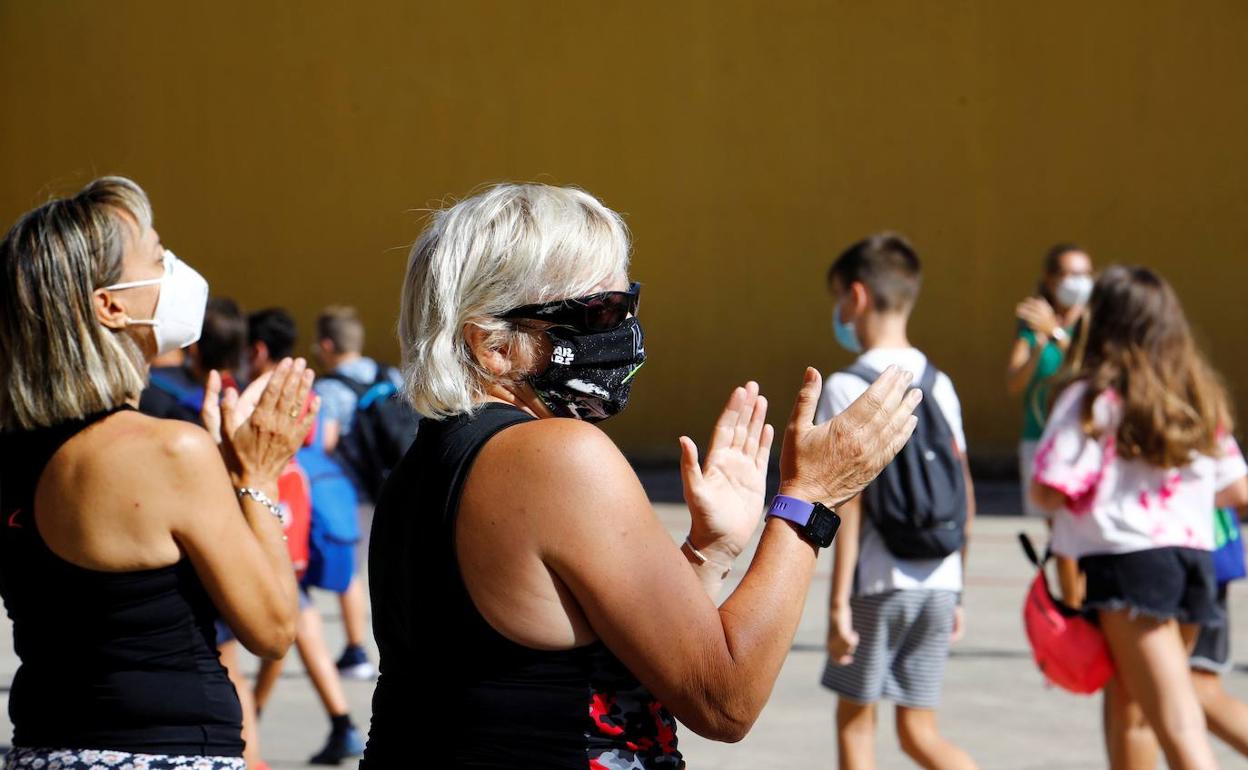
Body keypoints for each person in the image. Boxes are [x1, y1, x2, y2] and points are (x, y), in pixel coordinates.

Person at [360, 183, 924, 768]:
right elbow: (724, 699)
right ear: (494, 347)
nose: (622, 331)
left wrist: (710, 550)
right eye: (599, 313)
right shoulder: (558, 456)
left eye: (625, 305)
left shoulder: (421, 466)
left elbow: (595, 663)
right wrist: (810, 500)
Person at [0, 176, 311, 768]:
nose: (175, 271)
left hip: (42, 746)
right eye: (159, 255)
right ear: (110, 304)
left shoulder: (15, 448)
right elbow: (271, 628)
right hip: (165, 749)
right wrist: (259, 474)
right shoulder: (167, 451)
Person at [1031, 266, 1248, 770]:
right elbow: (1236, 487)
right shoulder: (1194, 396)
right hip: (1194, 561)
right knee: (1134, 706)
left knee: (1176, 720)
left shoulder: (1094, 399)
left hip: (1128, 567)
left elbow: (1048, 487)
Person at [819, 233, 978, 770]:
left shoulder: (847, 387)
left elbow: (848, 501)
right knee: (919, 732)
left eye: (839, 299)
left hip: (878, 583)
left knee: (856, 725)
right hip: (940, 579)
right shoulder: (941, 383)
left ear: (857, 297)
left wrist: (838, 605)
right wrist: (957, 588)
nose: (839, 313)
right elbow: (965, 491)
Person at [246, 307, 365, 764]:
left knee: (283, 619)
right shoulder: (310, 391)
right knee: (301, 617)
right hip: (308, 510)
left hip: (274, 513)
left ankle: (251, 723)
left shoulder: (254, 394)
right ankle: (338, 722)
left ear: (256, 350)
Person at [1007, 244, 1093, 604]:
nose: (1078, 282)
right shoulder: (1031, 327)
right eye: (1069, 274)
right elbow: (1014, 383)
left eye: (1084, 273)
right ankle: (1075, 608)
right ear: (1050, 279)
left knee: (1086, 532)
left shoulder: (1095, 321)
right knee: (1061, 532)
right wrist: (1042, 342)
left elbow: (1093, 368)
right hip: (1040, 441)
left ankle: (1088, 603)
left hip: (1086, 443)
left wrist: (1058, 334)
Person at [311, 305, 394, 680]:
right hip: (396, 484)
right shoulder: (392, 376)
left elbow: (326, 443)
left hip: (355, 491)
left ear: (327, 345)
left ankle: (356, 651)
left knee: (353, 575)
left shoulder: (328, 389)